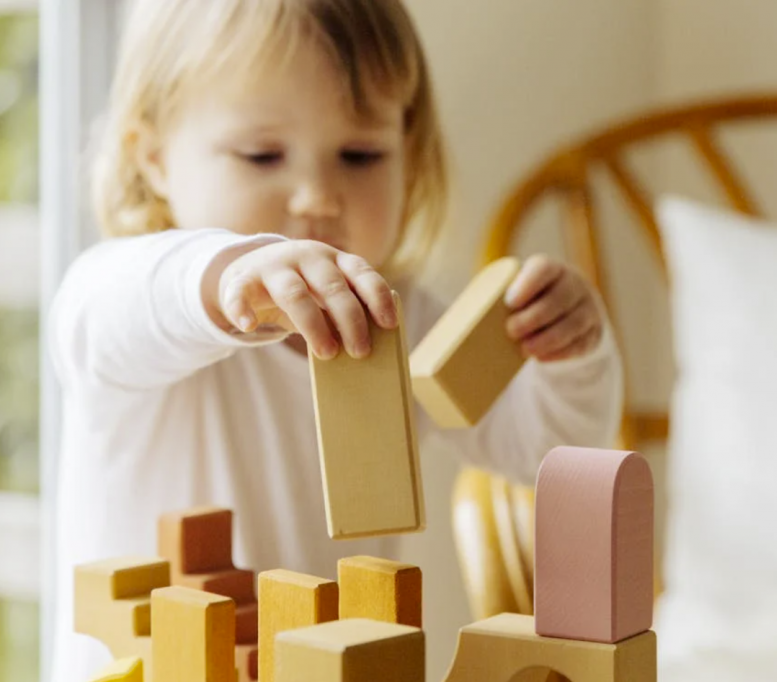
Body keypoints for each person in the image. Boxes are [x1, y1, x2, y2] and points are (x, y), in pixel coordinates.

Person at [48, 0, 622, 678]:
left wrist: (570, 355)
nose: (317, 196)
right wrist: (227, 277)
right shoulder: (146, 302)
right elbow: (100, 315)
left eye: (360, 154)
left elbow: (544, 456)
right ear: (155, 160)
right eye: (262, 155)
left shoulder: (401, 321)